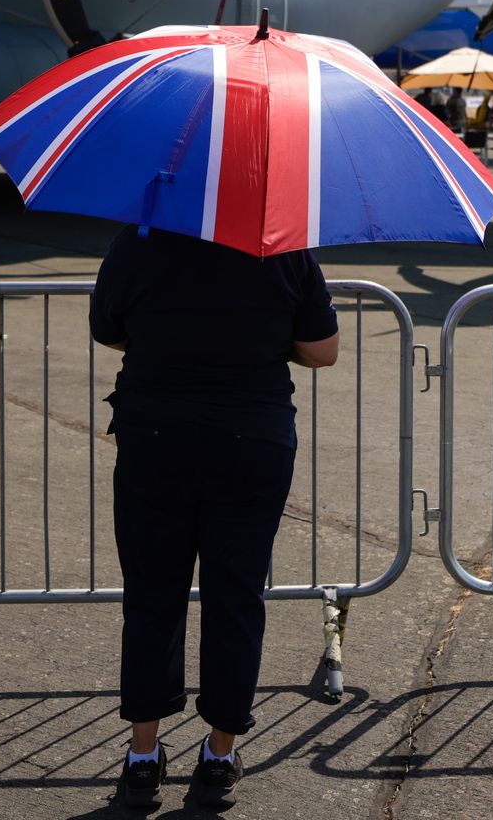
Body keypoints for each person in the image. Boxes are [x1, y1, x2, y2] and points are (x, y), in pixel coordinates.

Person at [92, 226, 340, 810]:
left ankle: (144, 758)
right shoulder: (283, 245)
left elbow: (108, 330)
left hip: (156, 434)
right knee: (235, 595)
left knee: (152, 596)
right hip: (251, 438)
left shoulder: (137, 241)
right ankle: (220, 755)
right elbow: (322, 350)